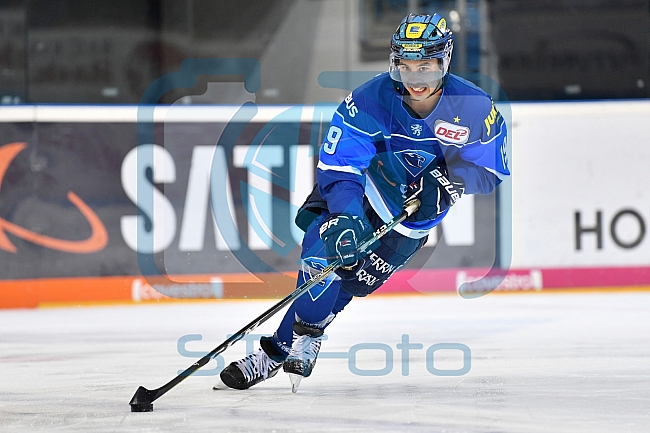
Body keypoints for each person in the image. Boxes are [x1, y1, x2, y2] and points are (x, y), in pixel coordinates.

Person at [215, 13, 510, 392]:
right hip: (362, 188)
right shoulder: (370, 98)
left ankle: (292, 344)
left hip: (412, 218)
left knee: (349, 282)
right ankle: (283, 348)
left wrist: (453, 181)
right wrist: (348, 215)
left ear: (444, 62)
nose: (416, 80)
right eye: (406, 67)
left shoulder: (474, 107)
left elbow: (491, 171)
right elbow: (341, 164)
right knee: (323, 252)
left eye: (425, 67)